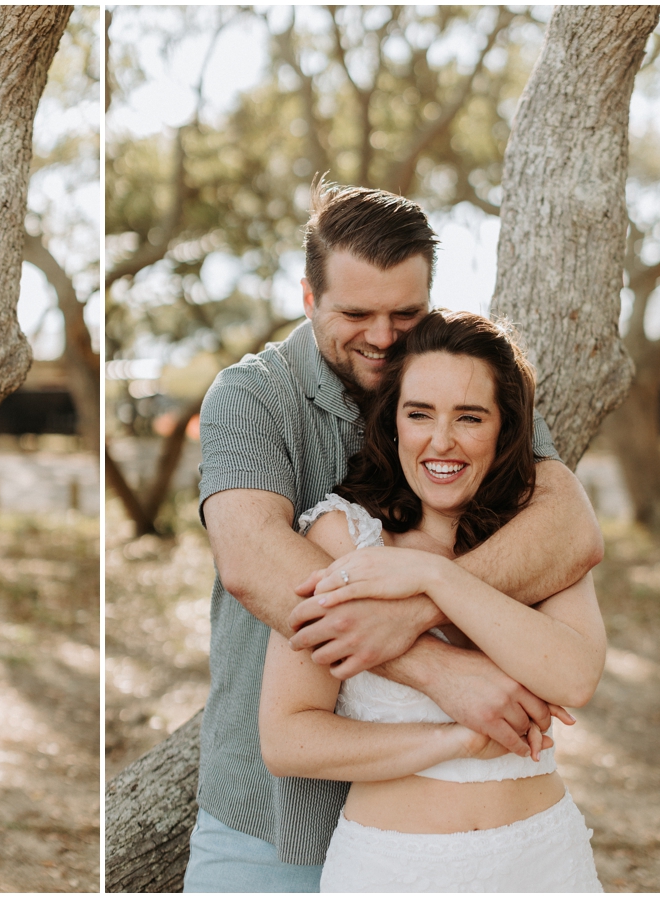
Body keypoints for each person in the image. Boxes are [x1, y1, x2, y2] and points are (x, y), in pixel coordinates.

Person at [186, 178, 604, 892]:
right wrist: (441, 670)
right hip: (272, 817)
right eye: (355, 312)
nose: (382, 338)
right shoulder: (253, 395)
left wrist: (424, 593)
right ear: (308, 296)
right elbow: (255, 563)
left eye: (404, 314)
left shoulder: (464, 379)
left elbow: (566, 521)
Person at [259, 310, 605, 891]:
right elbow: (288, 738)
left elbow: (575, 677)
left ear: (505, 428)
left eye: (470, 417)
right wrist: (455, 740)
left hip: (543, 859)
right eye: (419, 414)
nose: (441, 441)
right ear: (393, 422)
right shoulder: (346, 538)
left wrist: (434, 578)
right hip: (394, 867)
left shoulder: (534, 538)